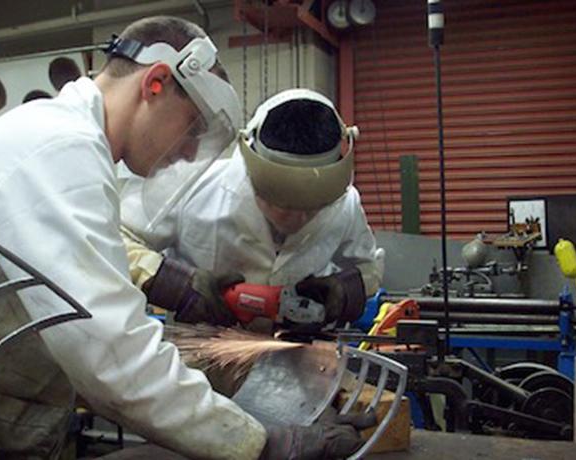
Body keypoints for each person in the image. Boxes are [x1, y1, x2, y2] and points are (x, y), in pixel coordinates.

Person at [0, 16, 369, 460]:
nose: (186, 153)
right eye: (191, 129)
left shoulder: (64, 142)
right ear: (155, 85)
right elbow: (111, 353)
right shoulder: (58, 150)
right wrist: (261, 443)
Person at [122, 88, 385, 331]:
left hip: (302, 362)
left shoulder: (345, 203)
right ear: (250, 173)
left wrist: (344, 290)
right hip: (199, 362)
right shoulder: (191, 186)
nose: (297, 219)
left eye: (313, 209)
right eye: (279, 204)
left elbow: (368, 267)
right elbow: (115, 238)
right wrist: (173, 284)